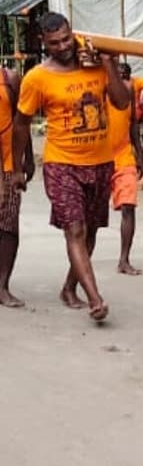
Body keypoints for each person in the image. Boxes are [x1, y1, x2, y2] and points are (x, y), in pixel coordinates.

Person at [11, 12, 129, 322]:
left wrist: (108, 64)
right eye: (54, 43)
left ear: (72, 32)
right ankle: (95, 298)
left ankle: (69, 287)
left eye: (66, 38)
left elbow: (121, 102)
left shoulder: (94, 63)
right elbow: (21, 124)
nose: (63, 46)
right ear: (43, 43)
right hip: (61, 163)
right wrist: (17, 166)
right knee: (74, 229)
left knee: (90, 231)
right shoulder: (37, 77)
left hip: (101, 161)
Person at [0, 65, 34, 306]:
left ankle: (2, 286)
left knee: (8, 225)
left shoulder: (9, 78)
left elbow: (22, 120)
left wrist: (27, 159)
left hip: (8, 164)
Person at [108, 61, 143, 276]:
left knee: (128, 206)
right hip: (98, 156)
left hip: (123, 155)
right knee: (89, 215)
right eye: (116, 76)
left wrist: (139, 154)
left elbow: (133, 123)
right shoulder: (98, 88)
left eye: (123, 76)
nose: (120, 81)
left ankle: (124, 259)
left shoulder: (129, 90)